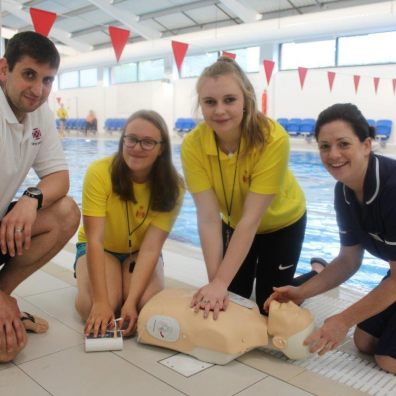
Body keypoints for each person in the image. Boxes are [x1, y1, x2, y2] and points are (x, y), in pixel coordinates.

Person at [265, 103, 396, 374]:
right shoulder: (345, 192)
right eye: (325, 146)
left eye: (343, 144)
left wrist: (343, 320)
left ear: (366, 145)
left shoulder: (392, 189)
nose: (333, 155)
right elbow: (349, 260)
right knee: (364, 341)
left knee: (388, 360)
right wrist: (301, 292)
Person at [181, 56, 306, 318]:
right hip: (235, 224)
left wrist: (218, 285)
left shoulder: (272, 138)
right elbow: (207, 218)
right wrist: (215, 284)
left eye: (229, 99)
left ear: (246, 99)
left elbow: (252, 218)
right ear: (200, 104)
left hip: (281, 224)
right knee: (232, 297)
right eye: (210, 102)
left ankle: (315, 275)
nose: (219, 110)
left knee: (268, 305)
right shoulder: (193, 145)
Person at [0, 31, 80, 362]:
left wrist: (31, 199)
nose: (38, 90)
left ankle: (4, 298)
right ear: (3, 69)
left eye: (47, 80)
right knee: (6, 351)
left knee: (66, 212)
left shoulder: (39, 113)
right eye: (29, 75)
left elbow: (59, 177)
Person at [74, 110, 184, 338]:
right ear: (123, 139)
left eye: (147, 142)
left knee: (145, 308)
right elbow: (95, 239)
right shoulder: (100, 172)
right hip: (101, 249)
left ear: (161, 147)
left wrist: (132, 302)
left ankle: (127, 292)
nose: (137, 147)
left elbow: (152, 247)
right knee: (96, 308)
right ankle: (92, 282)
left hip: (140, 253)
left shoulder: (173, 187)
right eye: (131, 139)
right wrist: (102, 302)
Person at [137, 287, 315, 364]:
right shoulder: (251, 308)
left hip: (151, 313)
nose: (293, 305)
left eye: (296, 315)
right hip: (159, 303)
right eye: (299, 309)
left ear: (280, 343)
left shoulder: (229, 342)